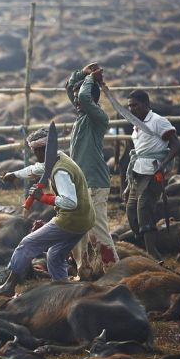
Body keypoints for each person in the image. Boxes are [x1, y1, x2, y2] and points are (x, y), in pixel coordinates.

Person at [0, 126, 96, 297]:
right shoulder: (59, 158)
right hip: (85, 219)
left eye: (35, 151)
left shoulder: (60, 171)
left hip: (71, 219)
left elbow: (70, 202)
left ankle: (9, 285)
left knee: (27, 243)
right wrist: (14, 174)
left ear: (42, 150)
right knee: (54, 255)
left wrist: (43, 197)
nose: (34, 155)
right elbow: (36, 169)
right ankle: (64, 292)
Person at [66, 63, 119, 278]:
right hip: (81, 182)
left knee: (98, 230)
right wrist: (83, 74)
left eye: (79, 97)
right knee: (79, 229)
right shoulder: (82, 116)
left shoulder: (98, 117)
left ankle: (114, 272)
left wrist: (89, 80)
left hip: (95, 182)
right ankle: (84, 271)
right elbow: (71, 89)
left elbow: (85, 98)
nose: (76, 100)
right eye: (76, 98)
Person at [122, 89, 180, 262]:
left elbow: (177, 145)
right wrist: (128, 185)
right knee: (131, 210)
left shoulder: (158, 121)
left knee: (143, 210)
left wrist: (162, 165)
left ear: (146, 104)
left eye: (135, 105)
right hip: (137, 172)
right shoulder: (136, 125)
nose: (132, 109)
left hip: (153, 172)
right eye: (129, 106)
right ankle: (147, 248)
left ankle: (153, 256)